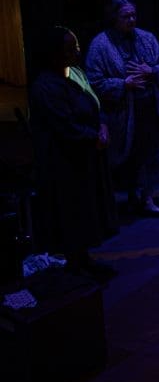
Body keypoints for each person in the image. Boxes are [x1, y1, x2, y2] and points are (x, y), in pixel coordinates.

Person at [30, 26, 118, 277]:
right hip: (65, 162)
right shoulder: (46, 86)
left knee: (87, 211)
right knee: (72, 213)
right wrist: (93, 137)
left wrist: (102, 125)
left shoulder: (75, 74)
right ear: (54, 53)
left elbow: (93, 102)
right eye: (69, 49)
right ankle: (75, 267)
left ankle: (83, 259)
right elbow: (64, 125)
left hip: (85, 156)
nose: (76, 52)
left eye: (76, 46)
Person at [85, 0, 159, 217]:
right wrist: (123, 84)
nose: (132, 20)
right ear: (114, 18)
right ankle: (131, 198)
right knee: (127, 158)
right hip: (122, 114)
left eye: (134, 15)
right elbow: (94, 81)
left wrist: (151, 71)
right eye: (126, 16)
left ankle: (148, 199)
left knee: (149, 155)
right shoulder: (101, 45)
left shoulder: (146, 38)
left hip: (149, 108)